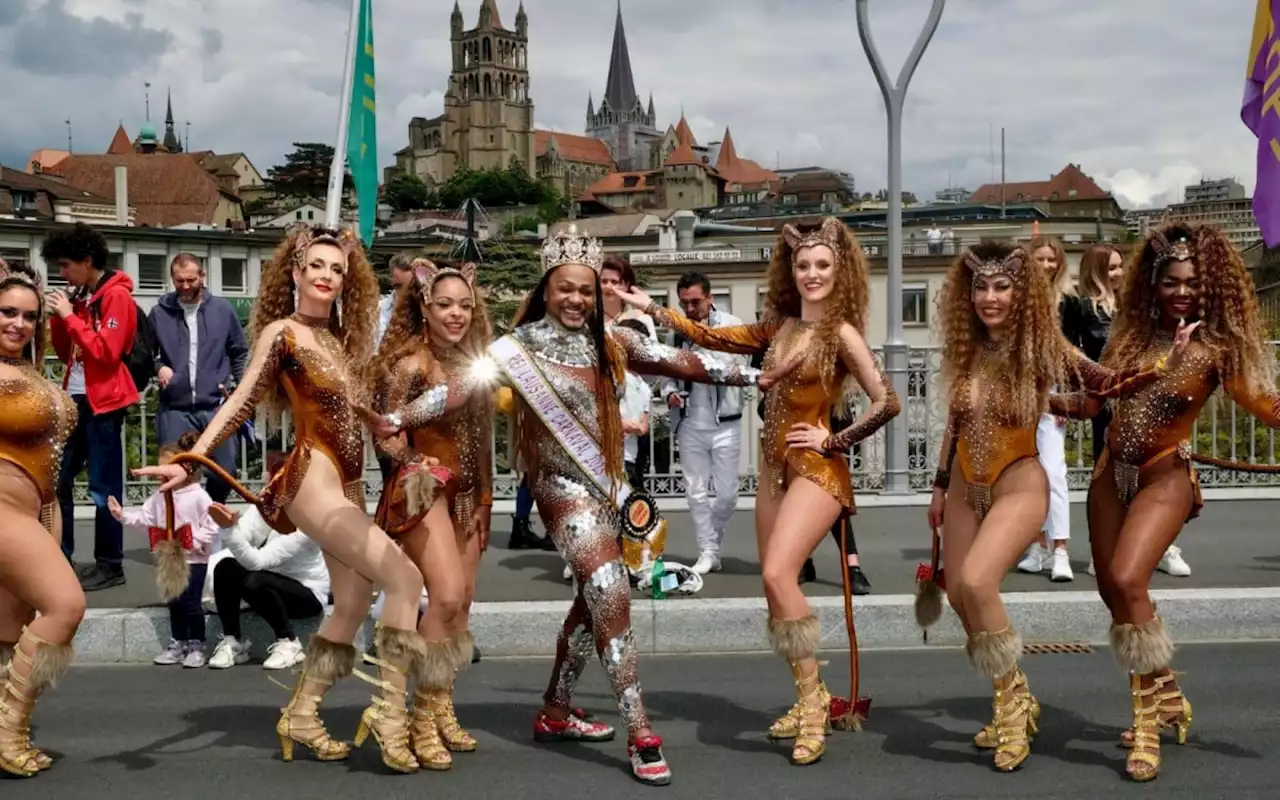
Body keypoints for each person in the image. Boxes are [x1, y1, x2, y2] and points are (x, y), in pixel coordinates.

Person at [379, 224, 787, 786]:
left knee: (597, 596)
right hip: (558, 490)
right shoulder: (516, 350)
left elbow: (678, 363)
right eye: (564, 288)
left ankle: (555, 707)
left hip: (606, 486)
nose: (575, 299)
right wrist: (400, 418)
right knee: (609, 589)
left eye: (585, 290)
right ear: (547, 288)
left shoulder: (610, 341)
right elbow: (459, 388)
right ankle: (640, 730)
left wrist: (752, 374)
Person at [136, 224, 432, 774]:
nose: (326, 276)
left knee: (349, 604)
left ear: (347, 282)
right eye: (316, 266)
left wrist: (399, 443)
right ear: (294, 273)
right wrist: (193, 459)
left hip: (349, 481)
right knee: (405, 579)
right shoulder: (282, 333)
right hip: (312, 479)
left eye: (336, 269)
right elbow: (243, 401)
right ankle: (391, 715)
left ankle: (302, 712)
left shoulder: (342, 342)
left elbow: (358, 416)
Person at [618, 217, 901, 766]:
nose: (812, 274)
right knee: (777, 590)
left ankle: (816, 710)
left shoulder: (841, 333)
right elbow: (711, 337)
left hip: (817, 469)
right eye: (803, 265)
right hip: (772, 470)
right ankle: (808, 694)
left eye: (823, 265)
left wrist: (835, 438)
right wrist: (651, 309)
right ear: (790, 272)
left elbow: (887, 401)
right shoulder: (779, 327)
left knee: (774, 573)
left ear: (839, 272)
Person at [927, 240, 1192, 773]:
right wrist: (937, 485)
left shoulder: (1043, 347)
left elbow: (1103, 387)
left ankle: (1011, 712)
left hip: (1020, 483)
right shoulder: (966, 347)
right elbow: (956, 421)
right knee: (959, 595)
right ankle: (1016, 694)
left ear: (1022, 293)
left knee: (978, 583)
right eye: (981, 287)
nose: (990, 298)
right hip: (961, 485)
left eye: (1002, 287)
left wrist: (1166, 362)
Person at [1055, 224, 1280, 781]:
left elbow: (1267, 403)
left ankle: (1147, 724)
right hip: (1111, 475)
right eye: (1172, 282)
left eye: (1193, 284)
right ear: (1152, 286)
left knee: (1131, 579)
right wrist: (1045, 400)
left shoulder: (1216, 350)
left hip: (1165, 477)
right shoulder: (1127, 340)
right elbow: (1095, 402)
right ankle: (1168, 692)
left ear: (1211, 289)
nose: (1182, 292)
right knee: (1113, 592)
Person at [367, 258, 496, 771]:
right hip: (422, 493)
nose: (456, 314)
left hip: (468, 496)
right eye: (445, 304)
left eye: (465, 305)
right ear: (424, 306)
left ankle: (440, 706)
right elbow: (386, 431)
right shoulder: (408, 364)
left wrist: (485, 499)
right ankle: (413, 716)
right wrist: (414, 462)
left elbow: (483, 438)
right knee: (442, 596)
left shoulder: (475, 365)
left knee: (461, 606)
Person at [0, 261, 84, 778]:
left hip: (37, 512)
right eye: (7, 312)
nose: (18, 324)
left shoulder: (35, 376)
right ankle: (8, 733)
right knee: (66, 605)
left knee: (9, 629)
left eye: (29, 316)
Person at [1076, 244, 1191, 578]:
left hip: (1146, 395)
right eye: (1110, 267)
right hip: (1108, 399)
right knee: (1107, 476)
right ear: (1095, 269)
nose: (1117, 273)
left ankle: (1162, 546)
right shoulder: (1083, 307)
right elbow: (1070, 352)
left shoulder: (1137, 306)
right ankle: (1103, 549)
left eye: (1120, 266)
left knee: (1157, 471)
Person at [43, 222, 139, 591]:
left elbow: (106, 352)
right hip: (78, 398)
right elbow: (68, 352)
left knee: (103, 488)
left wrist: (69, 316)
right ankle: (61, 558)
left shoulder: (118, 298)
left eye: (66, 265)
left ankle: (110, 564)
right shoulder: (83, 297)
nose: (62, 273)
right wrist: (59, 317)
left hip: (105, 402)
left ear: (87, 260)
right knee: (59, 480)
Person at [205, 450, 330, 671]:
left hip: (307, 596)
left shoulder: (308, 523)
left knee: (255, 579)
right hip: (272, 585)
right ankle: (234, 642)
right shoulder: (270, 507)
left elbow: (257, 562)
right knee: (226, 568)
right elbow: (243, 537)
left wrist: (228, 530)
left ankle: (289, 643)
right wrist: (233, 525)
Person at [660, 271, 747, 576]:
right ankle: (708, 551)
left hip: (726, 421)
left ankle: (713, 543)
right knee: (696, 492)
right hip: (689, 423)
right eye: (684, 303)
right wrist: (670, 392)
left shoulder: (733, 325)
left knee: (726, 495)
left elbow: (739, 368)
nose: (690, 308)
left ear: (710, 298)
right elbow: (665, 374)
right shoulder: (675, 333)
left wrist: (703, 352)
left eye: (695, 301)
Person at [109, 432, 219, 668]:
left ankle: (197, 644)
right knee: (174, 601)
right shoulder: (159, 496)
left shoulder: (199, 496)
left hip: (193, 559)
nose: (160, 475)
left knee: (191, 602)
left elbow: (211, 524)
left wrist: (194, 541)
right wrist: (123, 516)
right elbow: (146, 518)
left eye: (165, 470)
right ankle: (178, 642)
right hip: (169, 558)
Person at [150, 253, 250, 504]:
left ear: (202, 277)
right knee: (174, 475)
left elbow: (239, 351)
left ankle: (210, 519)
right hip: (175, 406)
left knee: (225, 471)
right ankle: (183, 536)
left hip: (215, 404)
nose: (185, 286)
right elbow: (145, 352)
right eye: (179, 280)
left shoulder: (222, 309)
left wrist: (242, 390)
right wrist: (159, 366)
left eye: (191, 280)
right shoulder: (159, 312)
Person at [1016, 235, 1076, 581]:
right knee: (1026, 475)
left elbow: (1075, 353)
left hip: (1052, 392)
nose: (1046, 265)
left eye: (1051, 260)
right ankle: (1037, 546)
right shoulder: (1016, 300)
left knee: (1054, 472)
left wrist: (1066, 395)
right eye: (1039, 259)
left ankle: (1061, 550)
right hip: (1019, 391)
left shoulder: (1068, 302)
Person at [375, 253, 418, 485]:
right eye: (398, 286)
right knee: (389, 465)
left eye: (409, 287)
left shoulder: (426, 311)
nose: (403, 293)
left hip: (420, 398)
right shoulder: (381, 310)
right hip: (386, 397)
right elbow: (372, 352)